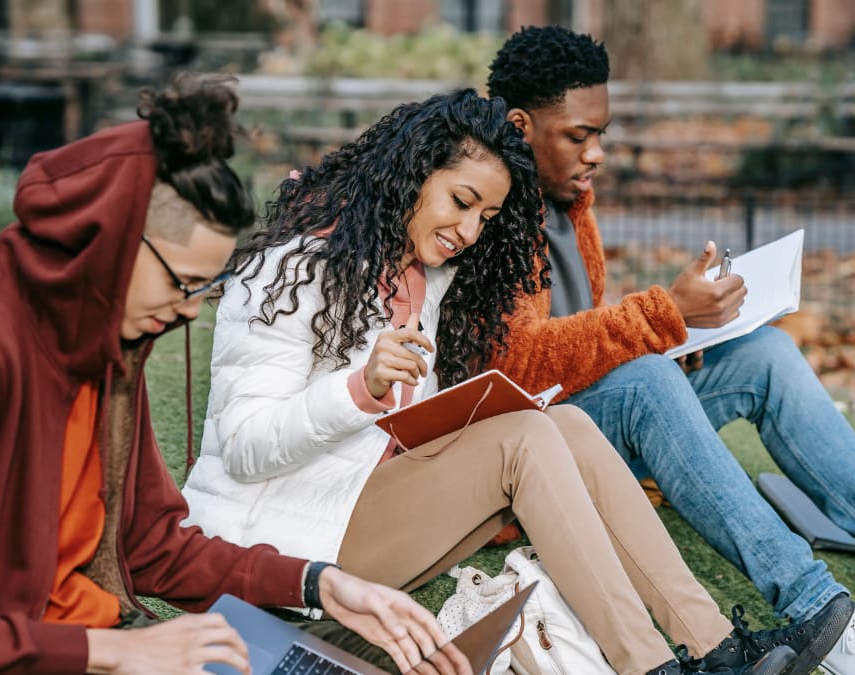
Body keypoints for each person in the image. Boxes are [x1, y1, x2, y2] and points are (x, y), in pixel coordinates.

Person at [0, 76, 466, 675]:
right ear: (110, 240)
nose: (192, 308)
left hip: (94, 638)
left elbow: (150, 546)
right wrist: (111, 655)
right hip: (28, 652)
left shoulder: (107, 347)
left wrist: (319, 584)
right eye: (182, 283)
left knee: (380, 653)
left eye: (206, 287)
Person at [181, 88, 810, 675]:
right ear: (409, 177)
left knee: (562, 422)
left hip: (357, 507)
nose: (470, 231)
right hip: (280, 549)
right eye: (461, 202)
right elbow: (244, 446)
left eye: (487, 215)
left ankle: (715, 649)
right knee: (525, 440)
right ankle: (651, 666)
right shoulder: (292, 270)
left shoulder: (424, 278)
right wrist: (361, 388)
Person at [483, 24, 855, 675]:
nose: (598, 152)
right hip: (533, 453)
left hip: (592, 408)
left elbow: (578, 328)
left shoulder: (569, 195)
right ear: (522, 126)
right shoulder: (490, 206)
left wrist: (683, 333)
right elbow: (516, 365)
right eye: (579, 136)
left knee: (766, 355)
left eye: (603, 133)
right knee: (644, 379)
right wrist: (663, 316)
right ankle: (819, 613)